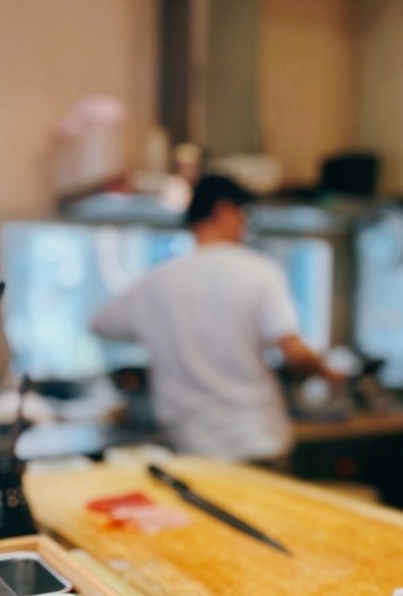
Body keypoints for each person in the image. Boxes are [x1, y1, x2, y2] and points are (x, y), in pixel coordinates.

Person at [90, 174, 345, 465]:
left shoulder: (157, 282)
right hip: (255, 439)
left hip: (191, 446)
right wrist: (329, 375)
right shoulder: (260, 272)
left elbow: (100, 324)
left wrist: (161, 334)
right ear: (223, 210)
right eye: (243, 215)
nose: (245, 225)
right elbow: (294, 353)